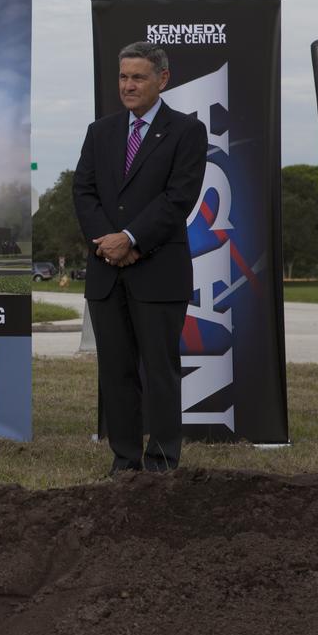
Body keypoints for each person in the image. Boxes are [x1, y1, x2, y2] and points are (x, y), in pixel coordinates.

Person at [72, 41, 207, 474]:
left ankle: (162, 461)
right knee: (115, 372)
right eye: (123, 77)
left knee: (160, 372)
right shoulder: (101, 131)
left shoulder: (186, 131)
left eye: (138, 77)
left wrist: (130, 239)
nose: (128, 86)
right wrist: (107, 242)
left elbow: (179, 198)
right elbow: (84, 192)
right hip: (106, 272)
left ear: (162, 80)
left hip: (158, 272)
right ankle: (125, 460)